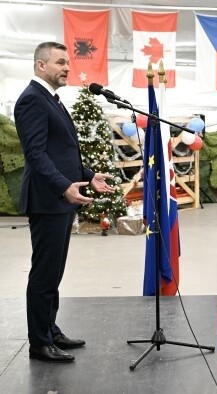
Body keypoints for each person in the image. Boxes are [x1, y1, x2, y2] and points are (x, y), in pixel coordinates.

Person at [15, 42, 115, 363]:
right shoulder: (32, 100)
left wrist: (88, 175)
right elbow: (36, 154)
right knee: (45, 274)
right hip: (47, 201)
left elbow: (61, 152)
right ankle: (39, 343)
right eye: (60, 62)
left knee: (54, 272)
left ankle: (50, 329)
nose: (67, 68)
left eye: (67, 62)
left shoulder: (52, 100)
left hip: (58, 199)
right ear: (40, 66)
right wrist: (63, 187)